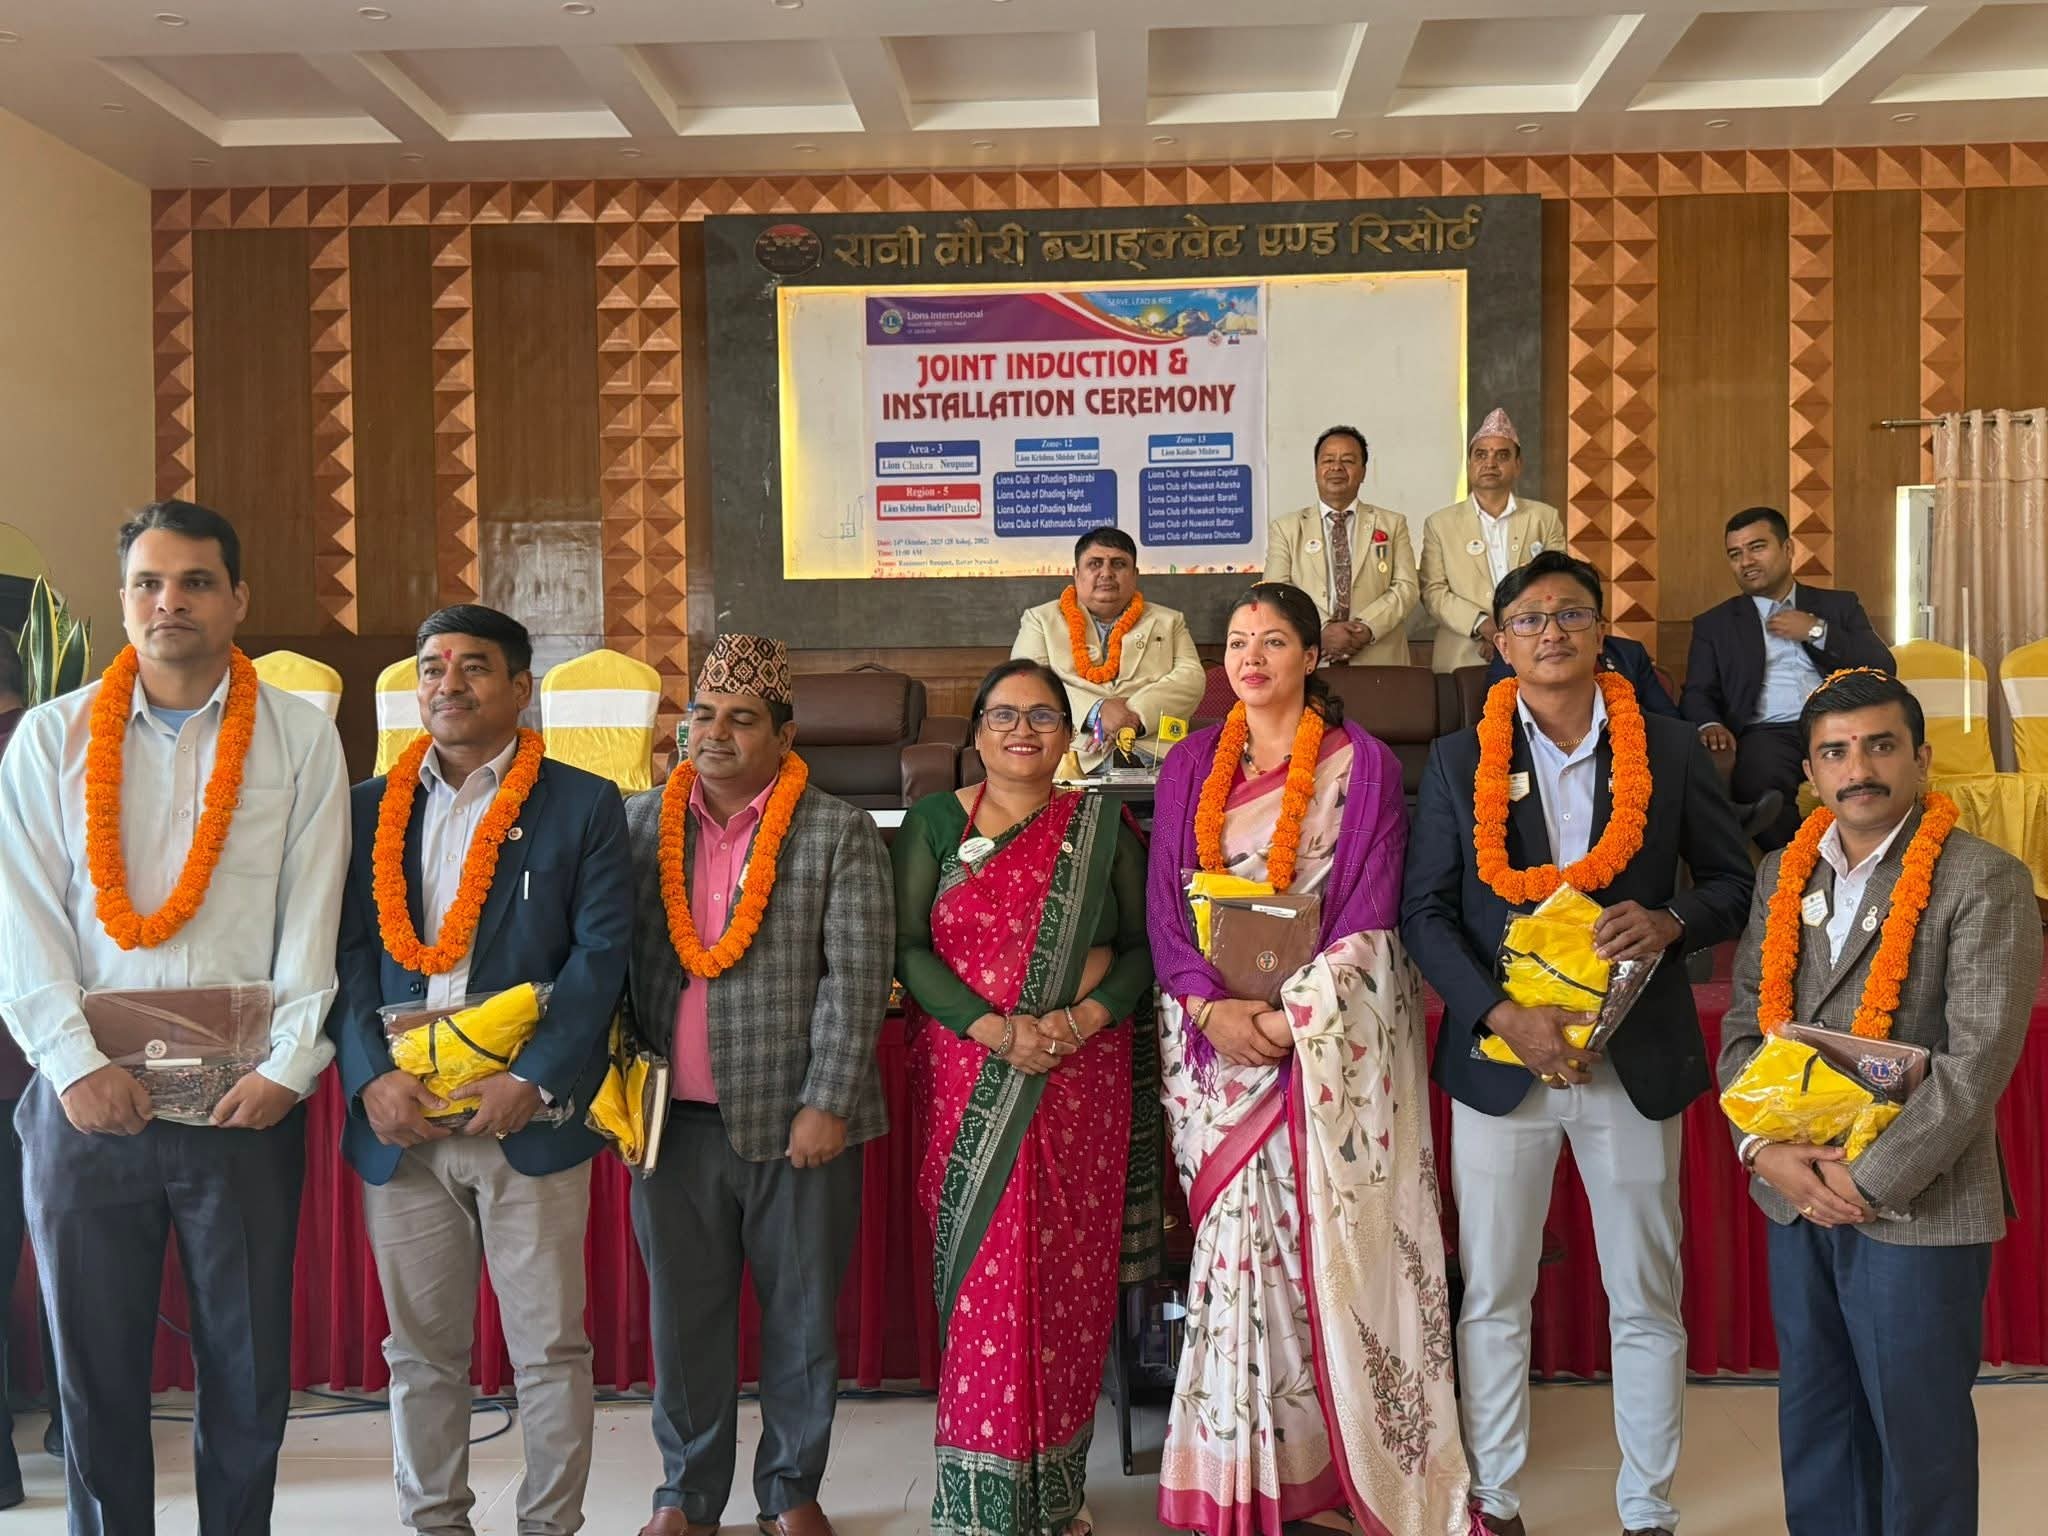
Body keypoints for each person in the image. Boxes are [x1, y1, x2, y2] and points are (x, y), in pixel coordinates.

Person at [0, 499, 349, 1536]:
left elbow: (313, 909)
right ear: (122, 602)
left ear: (237, 598)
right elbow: (22, 916)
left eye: (196, 581)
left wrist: (289, 1066)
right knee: (95, 1369)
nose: (171, 602)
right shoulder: (51, 740)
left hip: (243, 1103)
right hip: (86, 1103)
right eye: (149, 583)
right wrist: (72, 1065)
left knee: (247, 1365)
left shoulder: (297, 737)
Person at [1402, 550, 1753, 1536]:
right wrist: (1497, 1014)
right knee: (1493, 1293)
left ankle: (1648, 1508)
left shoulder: (1669, 749)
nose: (1549, 631)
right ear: (1498, 640)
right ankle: (1495, 1503)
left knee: (1644, 1291)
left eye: (1569, 614)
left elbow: (1734, 884)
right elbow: (1425, 911)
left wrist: (1672, 920)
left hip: (1628, 1061)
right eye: (1528, 617)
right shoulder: (1455, 759)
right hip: (1502, 1066)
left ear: (1601, 632)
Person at [1150, 580, 1474, 1536]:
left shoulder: (1360, 765)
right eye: (1237, 642)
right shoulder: (1189, 764)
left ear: (1310, 656)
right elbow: (1167, 907)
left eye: (1273, 641)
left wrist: (1296, 1017)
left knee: (1311, 1253)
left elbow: (1369, 907)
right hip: (1213, 1049)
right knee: (1232, 1251)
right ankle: (1231, 1472)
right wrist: (1209, 1008)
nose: (1251, 658)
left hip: (1316, 1042)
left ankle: (1325, 1472)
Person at [329, 604, 633, 1536]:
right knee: (420, 1352)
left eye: (472, 667)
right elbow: (341, 957)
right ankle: (435, 1522)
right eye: (432, 667)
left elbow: (599, 959)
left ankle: (549, 1525)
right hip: (403, 1121)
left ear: (519, 687)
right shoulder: (366, 807)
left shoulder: (582, 804)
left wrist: (532, 1079)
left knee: (549, 1348)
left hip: (526, 1119)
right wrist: (368, 1079)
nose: (448, 684)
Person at [1717, 668, 2040, 1536]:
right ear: (1810, 773)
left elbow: (1976, 1063)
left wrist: (1860, 1181)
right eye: (1835, 752)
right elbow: (1747, 1029)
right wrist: (1765, 1153)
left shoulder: (1983, 878)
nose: (1858, 769)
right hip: (1796, 1196)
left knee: (1916, 1434)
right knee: (1817, 1418)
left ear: (1921, 759)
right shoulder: (1783, 873)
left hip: (1916, 1200)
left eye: (1880, 746)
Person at [622, 634, 893, 1536]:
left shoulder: (837, 830)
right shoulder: (636, 825)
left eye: (741, 719)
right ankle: (685, 1495)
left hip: (796, 1122)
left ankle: (790, 1489)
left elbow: (857, 979)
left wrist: (827, 1101)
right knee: (682, 1322)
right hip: (667, 1123)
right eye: (702, 715)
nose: (715, 734)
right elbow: (611, 966)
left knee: (802, 1319)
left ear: (784, 735)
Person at [893, 658, 1153, 1536]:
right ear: (975, 731)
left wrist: (1081, 1019)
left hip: (1082, 1079)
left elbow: (1144, 950)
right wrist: (995, 1031)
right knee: (987, 1281)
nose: (1022, 731)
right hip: (974, 1075)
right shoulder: (935, 821)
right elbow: (908, 947)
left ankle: (1057, 1495)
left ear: (1068, 735)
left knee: (1067, 1284)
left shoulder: (1103, 824)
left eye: (1043, 716)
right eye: (1003, 715)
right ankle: (980, 1503)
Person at [1681, 507, 1895, 849]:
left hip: (1840, 723)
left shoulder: (1837, 605)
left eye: (1757, 547)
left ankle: (1869, 859)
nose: (1746, 562)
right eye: (1735, 554)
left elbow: (1883, 666)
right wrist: (1710, 724)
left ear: (1788, 548)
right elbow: (1696, 692)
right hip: (1768, 732)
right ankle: (1801, 864)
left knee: (1866, 776)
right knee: (1759, 781)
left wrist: (1816, 630)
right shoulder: (1715, 624)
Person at [1012, 526, 1204, 768]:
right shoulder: (1040, 620)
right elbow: (1027, 682)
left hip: (1155, 758)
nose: (1106, 573)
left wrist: (1134, 715)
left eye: (1118, 564)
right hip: (1073, 759)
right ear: (1076, 574)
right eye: (1094, 564)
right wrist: (1097, 711)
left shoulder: (1169, 621)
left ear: (1134, 575)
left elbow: (1191, 678)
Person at [1421, 408, 1568, 673]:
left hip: (1534, 649)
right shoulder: (1440, 524)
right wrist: (1483, 625)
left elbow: (1557, 583)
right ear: (1469, 464)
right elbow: (1433, 592)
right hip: (1463, 655)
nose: (1490, 463)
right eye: (1481, 455)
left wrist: (1513, 628)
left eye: (1502, 455)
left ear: (1518, 465)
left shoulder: (1544, 518)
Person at [1263, 426, 1418, 667]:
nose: (1336, 467)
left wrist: (1366, 627)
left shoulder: (1392, 524)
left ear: (1363, 472)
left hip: (1379, 660)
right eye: (1328, 460)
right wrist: (1321, 630)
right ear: (1316, 470)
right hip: (1311, 659)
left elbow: (1406, 587)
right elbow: (1276, 591)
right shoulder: (1286, 528)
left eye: (1347, 460)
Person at [1485, 633, 1678, 718]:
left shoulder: (1629, 653)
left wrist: (1622, 714)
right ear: (1505, 647)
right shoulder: (1517, 656)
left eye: (1570, 615)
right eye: (1533, 619)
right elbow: (1499, 721)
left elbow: (1668, 722)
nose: (1554, 634)